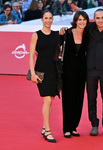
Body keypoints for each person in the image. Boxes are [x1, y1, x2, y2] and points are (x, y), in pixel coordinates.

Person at [29, 10, 60, 143]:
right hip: (41, 71)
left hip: (53, 70)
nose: (48, 20)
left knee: (50, 100)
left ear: (53, 20)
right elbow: (31, 54)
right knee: (47, 100)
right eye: (46, 18)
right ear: (42, 19)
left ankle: (43, 127)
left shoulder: (56, 34)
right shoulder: (36, 35)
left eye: (50, 18)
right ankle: (47, 131)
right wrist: (33, 73)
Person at [60, 10, 89, 138]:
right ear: (75, 21)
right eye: (80, 20)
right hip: (67, 73)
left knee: (78, 100)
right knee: (68, 100)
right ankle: (67, 128)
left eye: (84, 20)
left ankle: (73, 127)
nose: (82, 22)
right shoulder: (66, 33)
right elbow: (53, 46)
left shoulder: (88, 35)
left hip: (82, 73)